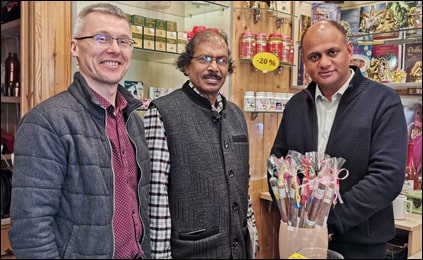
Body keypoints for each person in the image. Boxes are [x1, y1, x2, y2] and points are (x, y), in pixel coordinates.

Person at [8, 3, 151, 259]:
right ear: (75, 47)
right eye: (101, 38)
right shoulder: (46, 122)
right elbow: (30, 229)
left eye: (123, 41)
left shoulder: (133, 120)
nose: (114, 49)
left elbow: (139, 210)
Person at [270, 20, 408, 259]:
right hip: (300, 243)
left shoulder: (383, 101)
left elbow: (387, 176)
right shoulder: (295, 106)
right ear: (305, 62)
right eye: (314, 56)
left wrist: (329, 221)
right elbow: (277, 166)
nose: (324, 63)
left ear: (350, 51)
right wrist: (296, 218)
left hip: (360, 247)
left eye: (332, 52)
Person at [144, 29, 259, 259]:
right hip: (191, 251)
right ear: (187, 65)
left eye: (221, 60)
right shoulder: (162, 112)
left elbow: (241, 186)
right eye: (204, 58)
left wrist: (252, 237)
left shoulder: (236, 114)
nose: (214, 67)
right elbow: (155, 197)